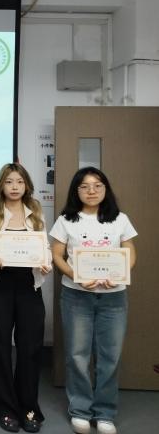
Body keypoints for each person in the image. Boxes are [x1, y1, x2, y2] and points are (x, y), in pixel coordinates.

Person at [49, 167, 137, 434]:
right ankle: (80, 410)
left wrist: (121, 273)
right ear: (76, 191)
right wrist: (75, 275)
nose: (91, 191)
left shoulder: (120, 219)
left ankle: (105, 413)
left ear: (105, 189)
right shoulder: (66, 220)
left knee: (110, 356)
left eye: (97, 185)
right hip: (76, 297)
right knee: (77, 355)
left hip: (114, 298)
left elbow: (130, 252)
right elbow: (57, 256)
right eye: (85, 186)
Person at [0, 163, 51, 433]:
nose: (14, 187)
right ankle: (5, 406)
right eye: (9, 182)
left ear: (26, 185)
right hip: (1, 286)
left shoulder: (36, 214)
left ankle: (29, 407)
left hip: (30, 286)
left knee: (30, 348)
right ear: (1, 186)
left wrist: (46, 264)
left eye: (19, 182)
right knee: (0, 346)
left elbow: (45, 248)